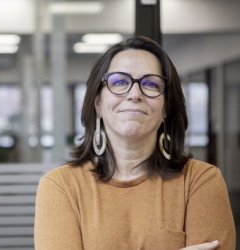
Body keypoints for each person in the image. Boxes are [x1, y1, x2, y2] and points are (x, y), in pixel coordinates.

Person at [34, 36, 236, 250]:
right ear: (98, 103)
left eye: (150, 83)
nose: (134, 94)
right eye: (120, 82)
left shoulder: (201, 182)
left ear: (166, 107)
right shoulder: (61, 186)